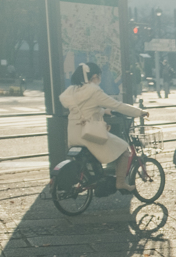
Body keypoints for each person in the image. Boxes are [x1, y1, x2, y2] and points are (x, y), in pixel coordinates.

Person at [59, 62, 149, 194]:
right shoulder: (93, 91)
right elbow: (117, 105)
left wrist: (102, 111)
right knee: (124, 148)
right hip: (89, 135)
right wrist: (139, 112)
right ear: (94, 76)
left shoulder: (72, 92)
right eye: (99, 76)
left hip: (73, 135)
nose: (99, 80)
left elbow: (85, 110)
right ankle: (121, 183)